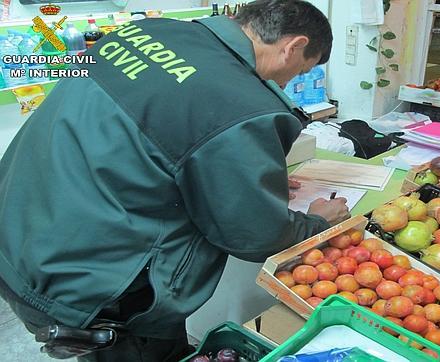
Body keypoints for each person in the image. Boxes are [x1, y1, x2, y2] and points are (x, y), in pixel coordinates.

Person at [0, 1, 349, 361]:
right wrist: (318, 222)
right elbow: (255, 234)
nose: (285, 83)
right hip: (94, 288)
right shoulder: (242, 105)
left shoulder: (148, 32)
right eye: (298, 70)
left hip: (19, 232)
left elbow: (147, 147)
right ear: (294, 46)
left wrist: (246, 179)